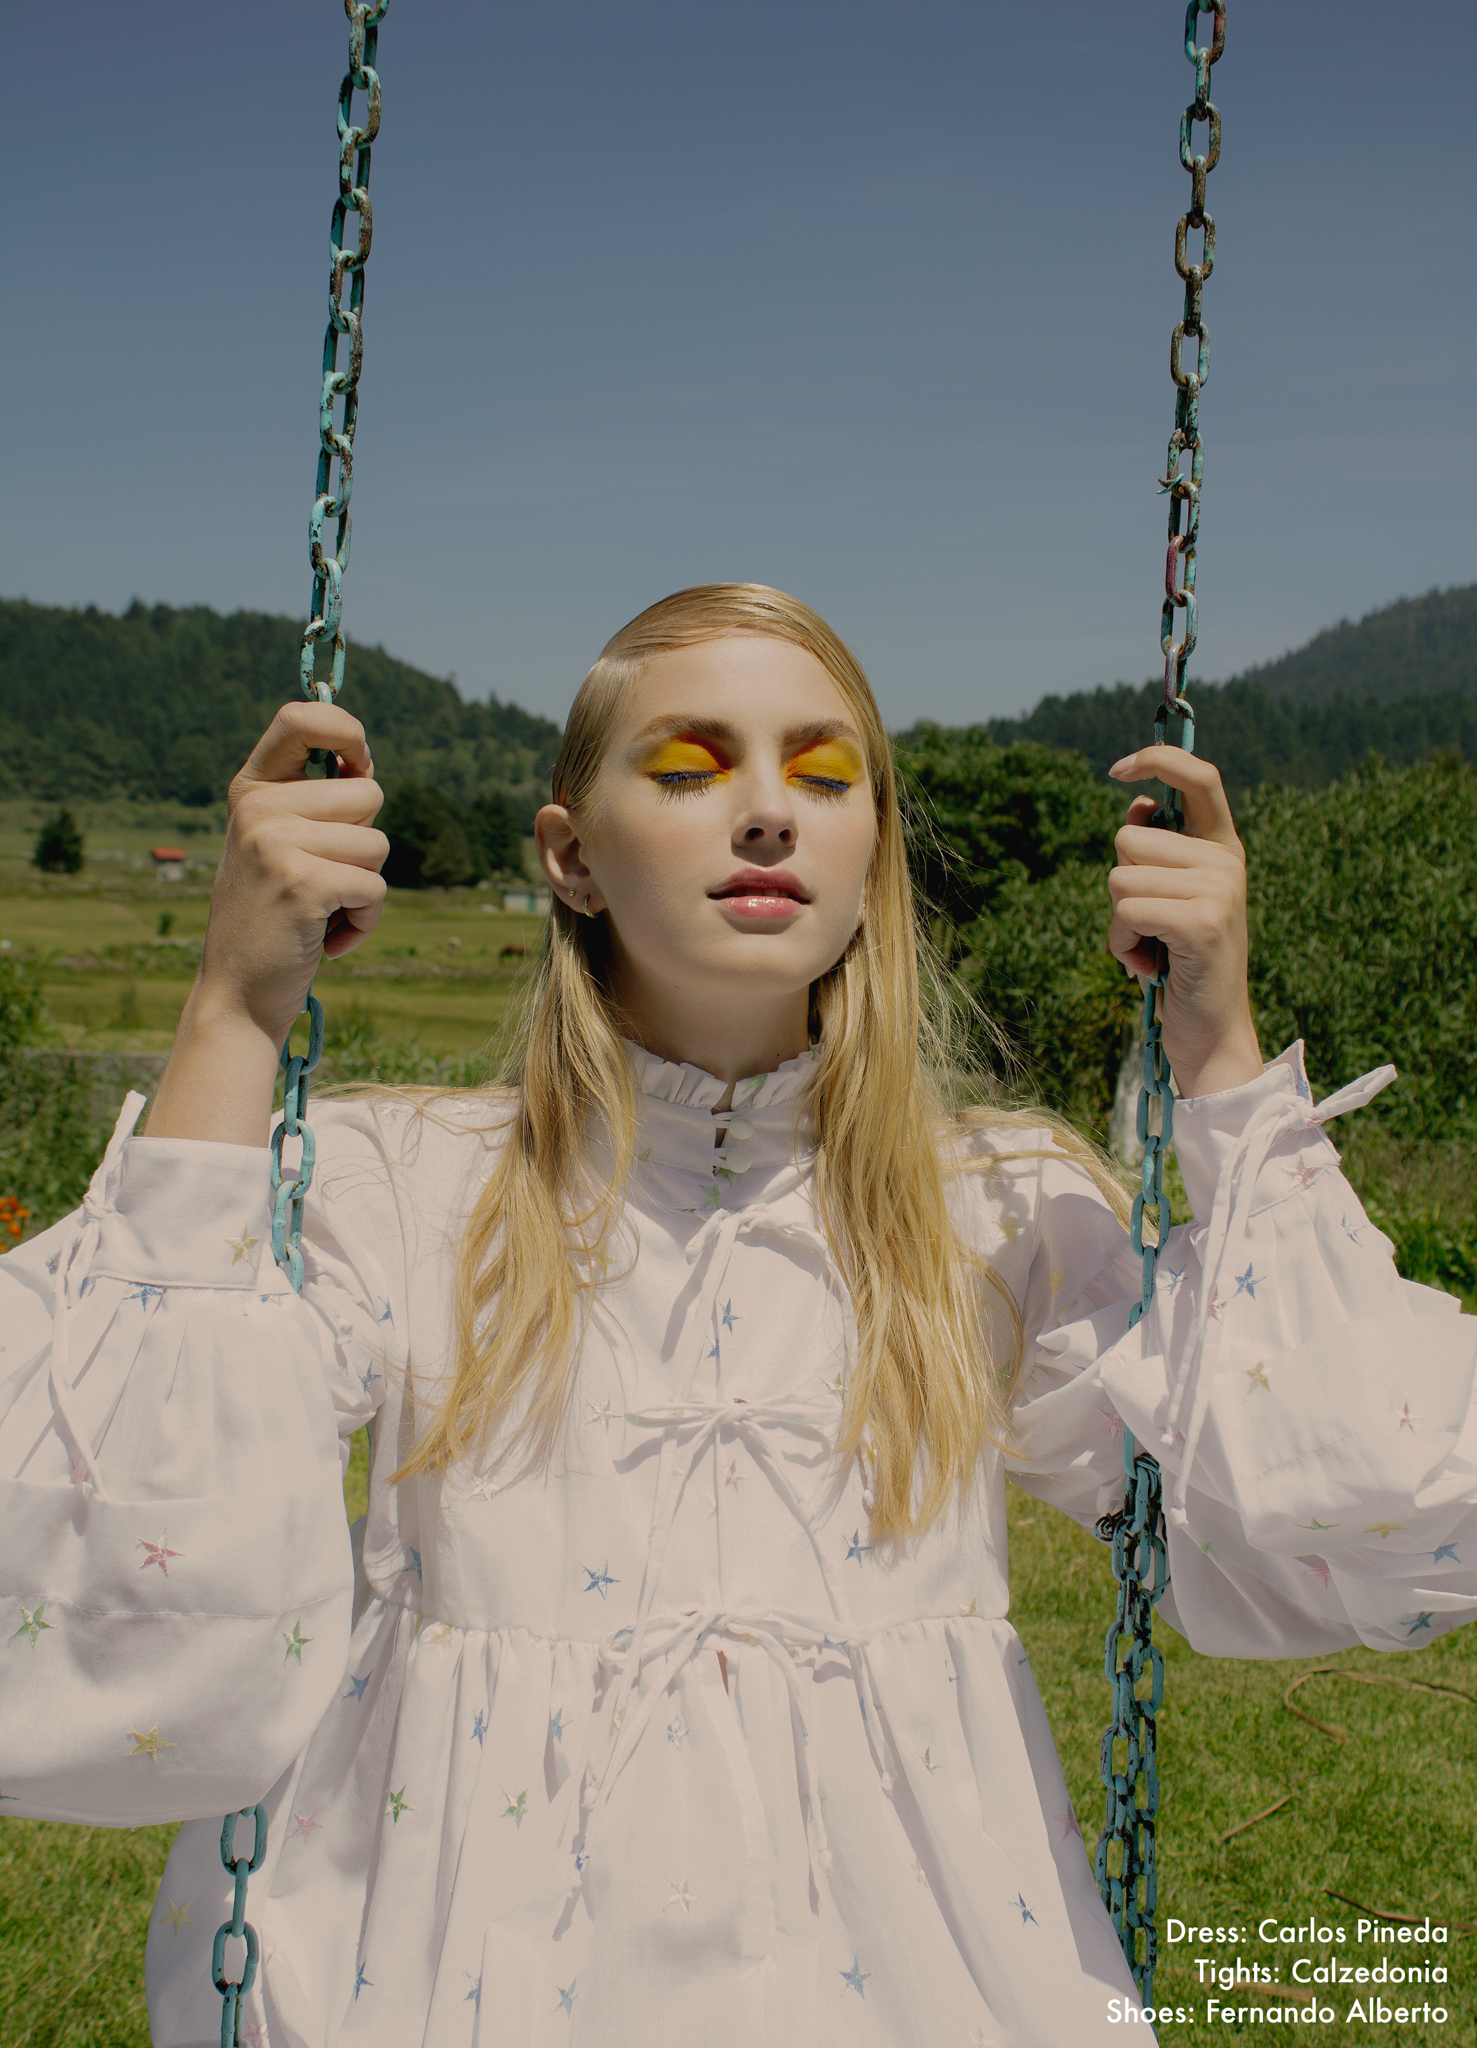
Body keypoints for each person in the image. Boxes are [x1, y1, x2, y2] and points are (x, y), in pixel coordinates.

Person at [1, 584, 1473, 2048]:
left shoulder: (994, 1212)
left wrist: (1217, 1046)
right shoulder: (401, 1189)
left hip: (910, 1967)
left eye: (825, 777)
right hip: (458, 1959)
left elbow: (1357, 1507)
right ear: (570, 859)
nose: (768, 812)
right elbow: (120, 1558)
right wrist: (233, 1011)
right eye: (689, 768)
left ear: (872, 858)